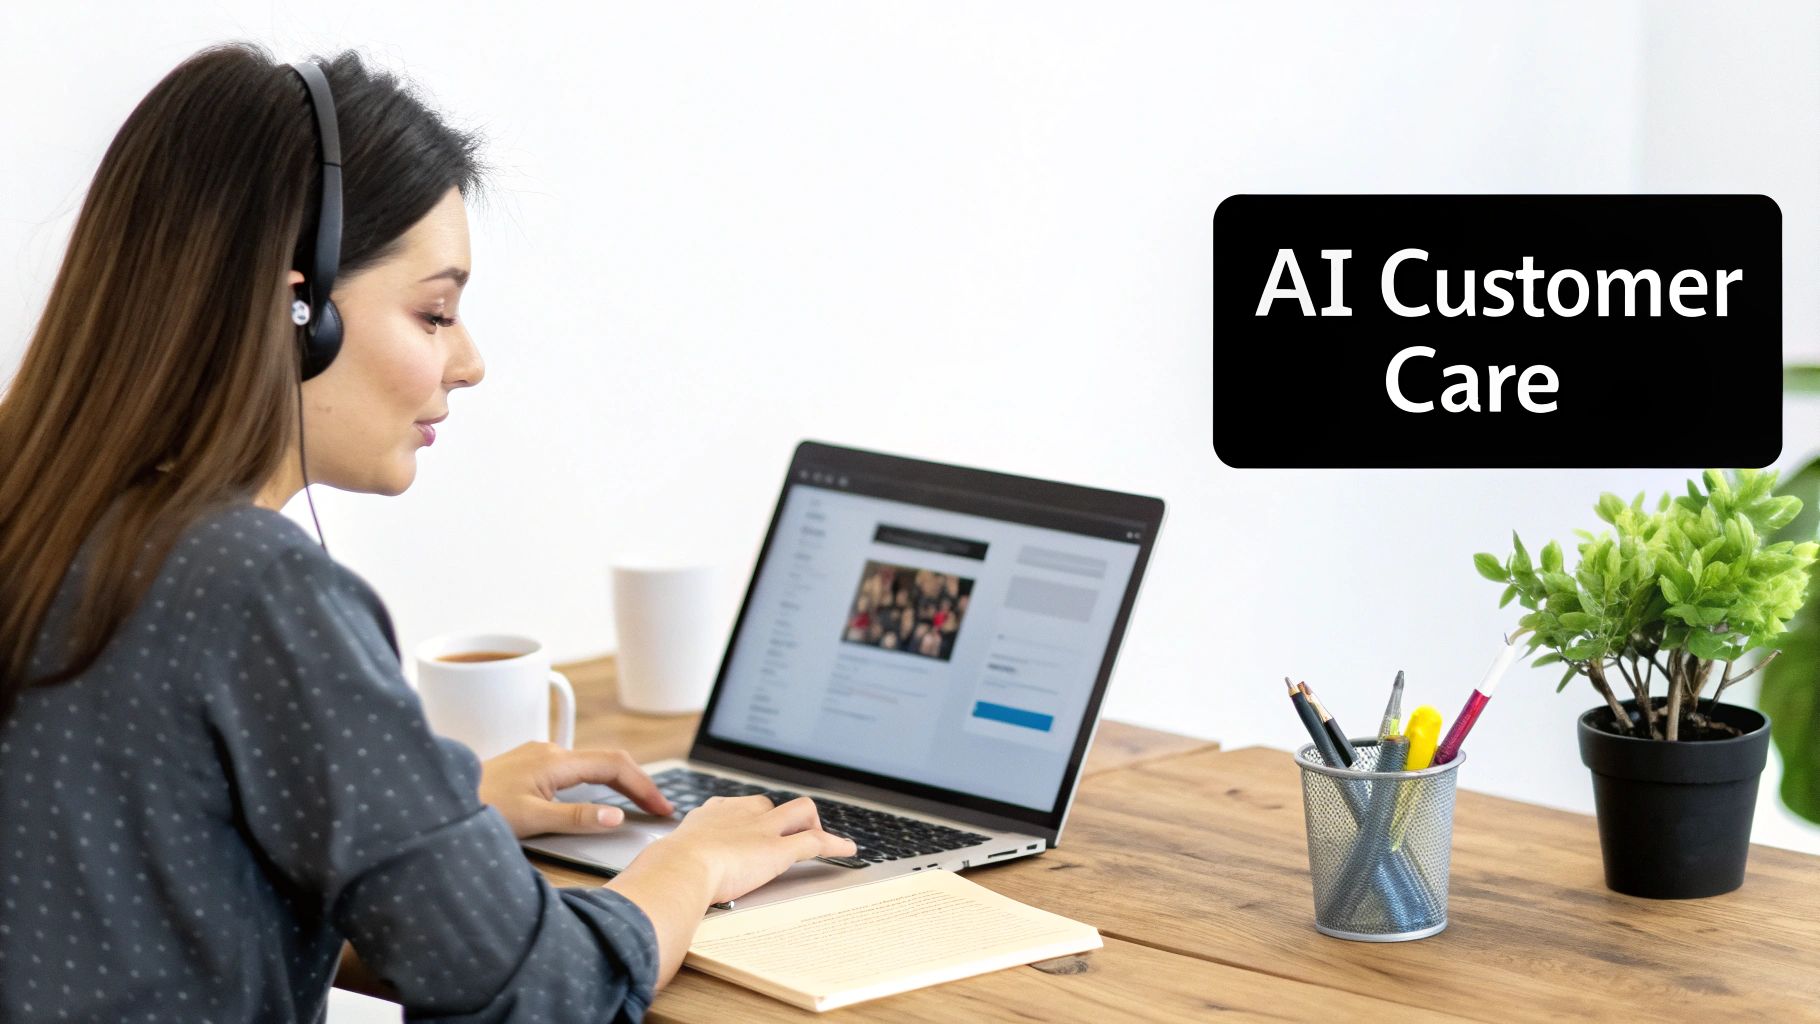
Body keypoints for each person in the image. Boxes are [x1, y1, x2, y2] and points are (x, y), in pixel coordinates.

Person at [0, 44, 853, 1023]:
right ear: (295, 309)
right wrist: (689, 863)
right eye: (435, 313)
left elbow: (159, 876)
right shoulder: (251, 588)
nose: (470, 362)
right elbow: (534, 992)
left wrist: (439, 819)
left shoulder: (41, 514)